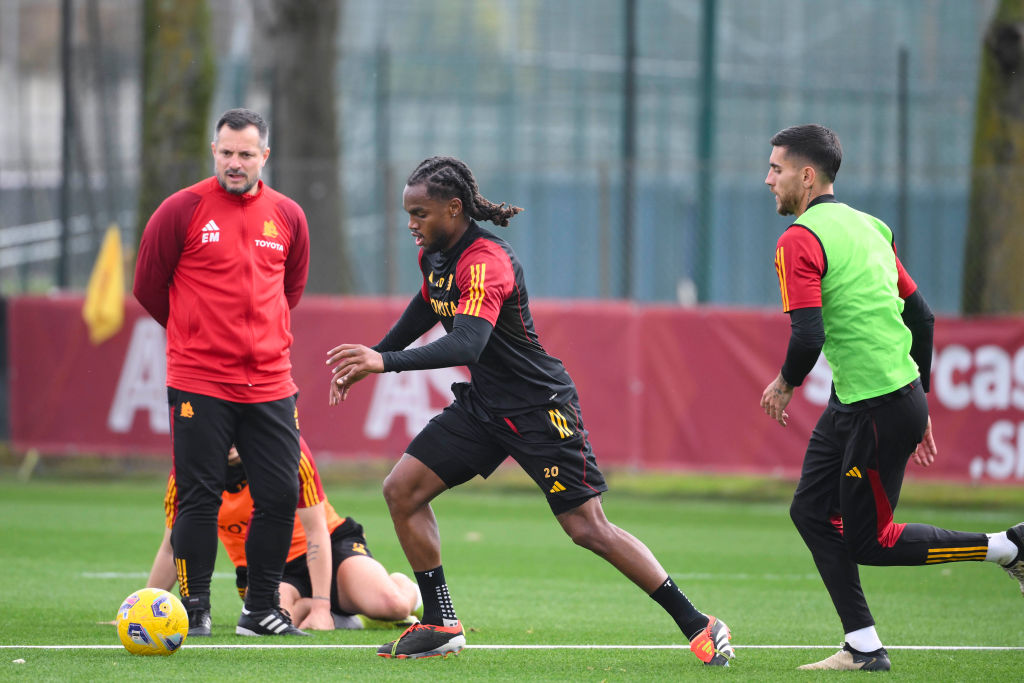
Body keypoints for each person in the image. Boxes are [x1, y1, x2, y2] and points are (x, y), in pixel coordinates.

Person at [324, 156, 735, 664]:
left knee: (588, 529)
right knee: (402, 490)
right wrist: (373, 356)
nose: (411, 223)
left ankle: (700, 622)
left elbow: (468, 345)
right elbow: (430, 303)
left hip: (540, 408)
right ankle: (439, 622)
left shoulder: (486, 261)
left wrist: (383, 361)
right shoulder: (435, 254)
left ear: (454, 209)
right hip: (486, 407)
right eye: (408, 212)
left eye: (420, 213)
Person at [760, 123, 1024, 672]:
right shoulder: (872, 226)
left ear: (807, 177)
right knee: (810, 511)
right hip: (866, 400)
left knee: (871, 542)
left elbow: (807, 335)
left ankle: (1007, 546)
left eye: (776, 169)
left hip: (877, 407)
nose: (768, 180)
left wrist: (785, 383)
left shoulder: (799, 240)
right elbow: (921, 316)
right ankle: (862, 646)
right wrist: (920, 397)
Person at [133, 108, 310, 637]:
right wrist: (197, 335)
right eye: (226, 152)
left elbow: (290, 290)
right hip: (198, 381)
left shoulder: (289, 215)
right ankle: (196, 608)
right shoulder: (180, 209)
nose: (235, 163)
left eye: (246, 154)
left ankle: (259, 610)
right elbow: (147, 286)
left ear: (265, 157)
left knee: (279, 496)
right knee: (200, 497)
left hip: (272, 382)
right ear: (214, 150)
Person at [147, 439, 422, 631]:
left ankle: (402, 587)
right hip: (268, 568)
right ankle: (348, 617)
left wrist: (322, 608)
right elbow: (172, 549)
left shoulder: (283, 451)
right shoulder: (188, 475)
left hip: (329, 544)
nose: (229, 437)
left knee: (393, 606)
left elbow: (317, 531)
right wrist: (146, 605)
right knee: (276, 620)